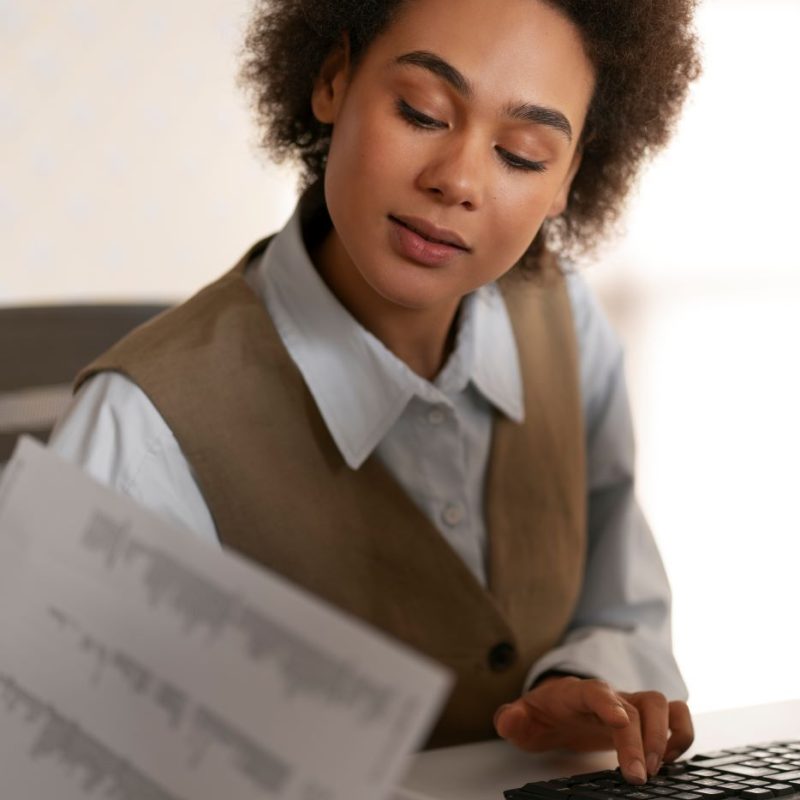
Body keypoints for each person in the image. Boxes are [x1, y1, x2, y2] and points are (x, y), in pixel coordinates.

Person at [50, 0, 702, 784]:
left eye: (523, 155)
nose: (455, 180)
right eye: (422, 112)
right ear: (333, 80)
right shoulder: (145, 430)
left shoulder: (564, 323)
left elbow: (622, 608)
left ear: (569, 177)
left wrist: (581, 685)